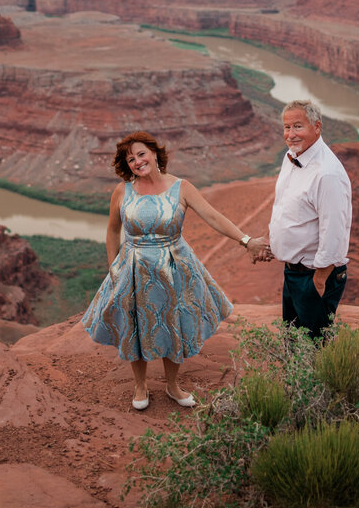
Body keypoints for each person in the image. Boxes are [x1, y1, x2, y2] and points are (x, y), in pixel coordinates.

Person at [82, 131, 253, 411]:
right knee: (136, 325)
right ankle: (140, 385)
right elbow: (113, 230)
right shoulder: (122, 190)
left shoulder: (181, 187)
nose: (137, 162)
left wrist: (245, 240)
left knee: (173, 324)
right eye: (130, 159)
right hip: (133, 266)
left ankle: (173, 386)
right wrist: (113, 268)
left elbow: (212, 216)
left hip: (174, 266)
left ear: (154, 153)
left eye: (141, 154)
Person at [248, 99, 352, 340]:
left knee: (313, 350)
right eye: (286, 127)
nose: (290, 134)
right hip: (293, 274)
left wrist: (318, 281)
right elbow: (285, 207)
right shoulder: (292, 157)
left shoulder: (327, 173)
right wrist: (269, 239)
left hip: (314, 276)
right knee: (293, 345)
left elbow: (334, 231)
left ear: (317, 127)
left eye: (298, 126)